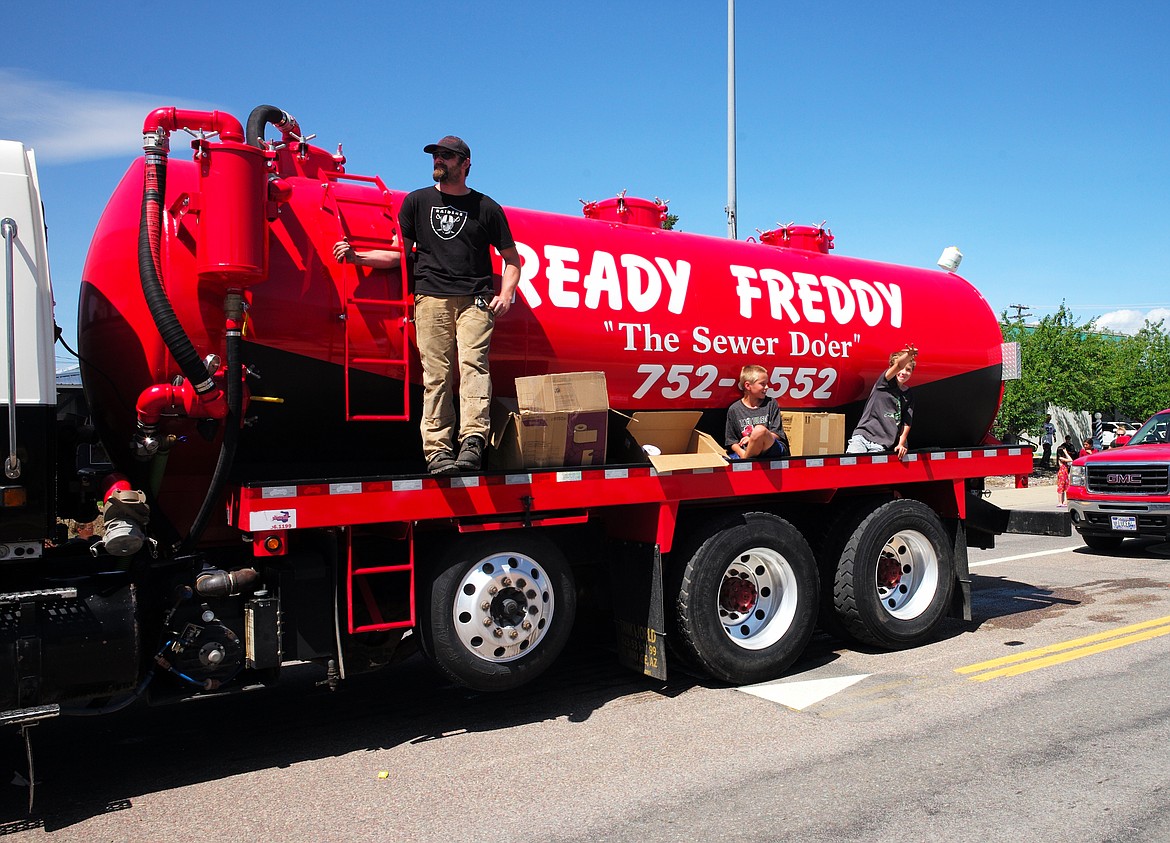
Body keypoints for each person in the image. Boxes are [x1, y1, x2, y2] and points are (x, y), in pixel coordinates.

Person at [335, 135, 522, 474]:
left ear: (465, 164)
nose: (439, 160)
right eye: (436, 155)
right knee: (436, 375)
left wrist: (506, 293)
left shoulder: (487, 208)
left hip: (476, 301)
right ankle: (437, 451)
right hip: (431, 298)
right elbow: (398, 253)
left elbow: (512, 260)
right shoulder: (416, 202)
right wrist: (358, 256)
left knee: (473, 367)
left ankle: (473, 443)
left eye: (447, 156)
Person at [846, 345, 917, 460]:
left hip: (880, 443)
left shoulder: (907, 394)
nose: (903, 372)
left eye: (908, 369)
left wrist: (901, 443)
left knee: (870, 472)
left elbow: (906, 421)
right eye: (901, 369)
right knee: (852, 467)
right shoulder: (883, 383)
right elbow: (898, 365)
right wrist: (909, 355)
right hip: (863, 437)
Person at [724, 364, 790, 459]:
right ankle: (747, 458)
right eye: (762, 384)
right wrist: (741, 452)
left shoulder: (771, 403)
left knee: (760, 430)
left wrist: (752, 439)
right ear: (748, 385)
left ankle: (747, 460)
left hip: (771, 449)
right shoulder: (734, 409)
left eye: (767, 383)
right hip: (747, 450)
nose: (767, 387)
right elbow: (731, 441)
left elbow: (777, 434)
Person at [1055, 434, 1075, 507]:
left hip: (1065, 473)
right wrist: (1066, 453)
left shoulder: (1062, 458)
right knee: (1061, 487)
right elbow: (1070, 460)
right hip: (1062, 473)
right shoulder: (1061, 458)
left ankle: (1064, 501)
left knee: (1066, 487)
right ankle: (1060, 501)